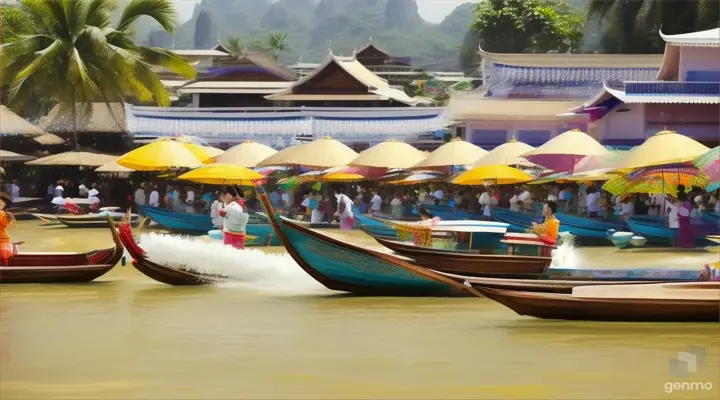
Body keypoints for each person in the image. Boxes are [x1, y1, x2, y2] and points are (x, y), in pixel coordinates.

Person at [0, 195, 22, 265]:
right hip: (3, 239)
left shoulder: (3, 214)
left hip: (3, 240)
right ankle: (14, 245)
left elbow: (4, 225)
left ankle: (14, 245)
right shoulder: (4, 214)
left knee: (4, 254)